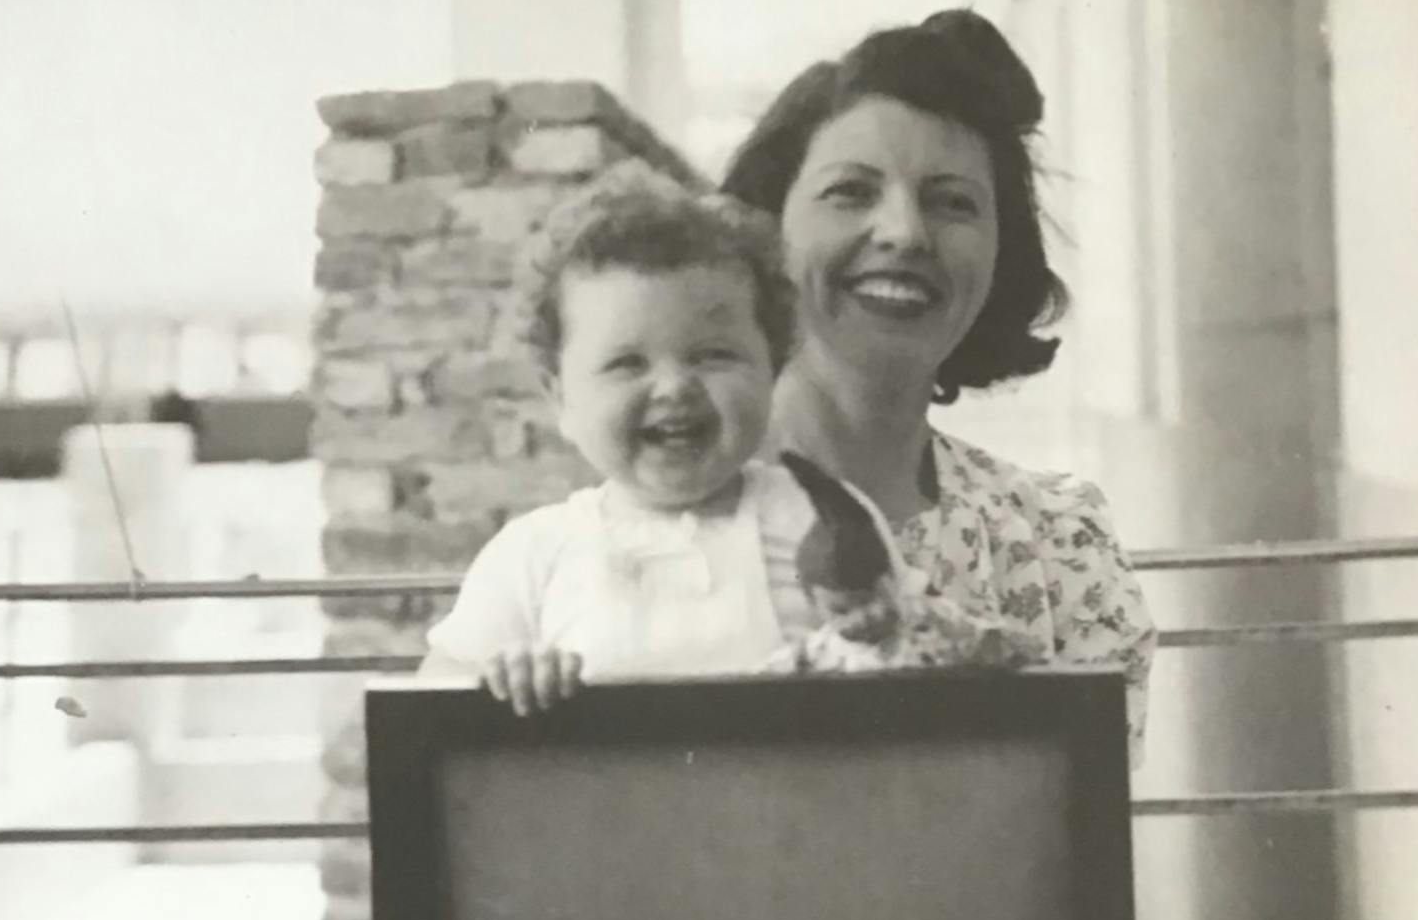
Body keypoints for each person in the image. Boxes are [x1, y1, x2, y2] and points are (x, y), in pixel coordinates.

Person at [720, 9, 1418, 920]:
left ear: (998, 256)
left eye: (953, 201)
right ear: (760, 239)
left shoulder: (1054, 537)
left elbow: (1052, 885)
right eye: (850, 191)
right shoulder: (666, 525)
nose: (905, 232)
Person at [420, 161, 1004, 710]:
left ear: (772, 369)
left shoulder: (817, 514)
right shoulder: (536, 554)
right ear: (561, 398)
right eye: (627, 363)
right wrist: (502, 681)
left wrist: (882, 633)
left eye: (713, 356)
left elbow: (919, 666)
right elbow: (432, 709)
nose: (674, 387)